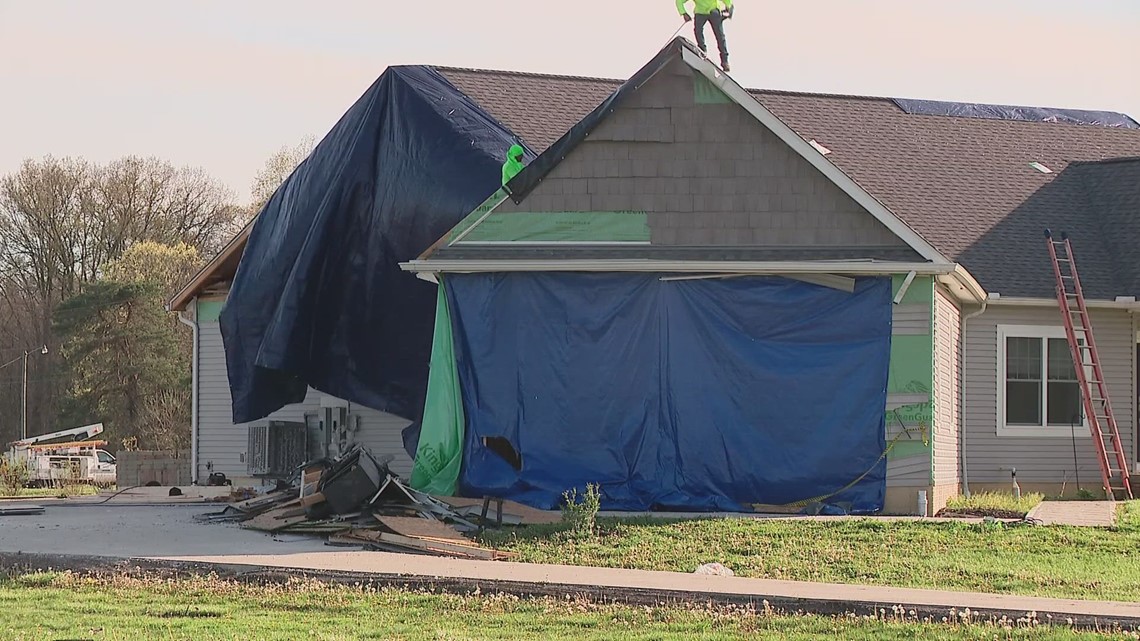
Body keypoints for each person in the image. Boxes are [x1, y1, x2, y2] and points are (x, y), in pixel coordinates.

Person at [676, 0, 734, 71]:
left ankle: (725, 61)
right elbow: (679, 1)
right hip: (700, 12)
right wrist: (684, 13)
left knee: (720, 36)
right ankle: (702, 50)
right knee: (698, 31)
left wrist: (729, 7)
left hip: (713, 11)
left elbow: (727, 1)